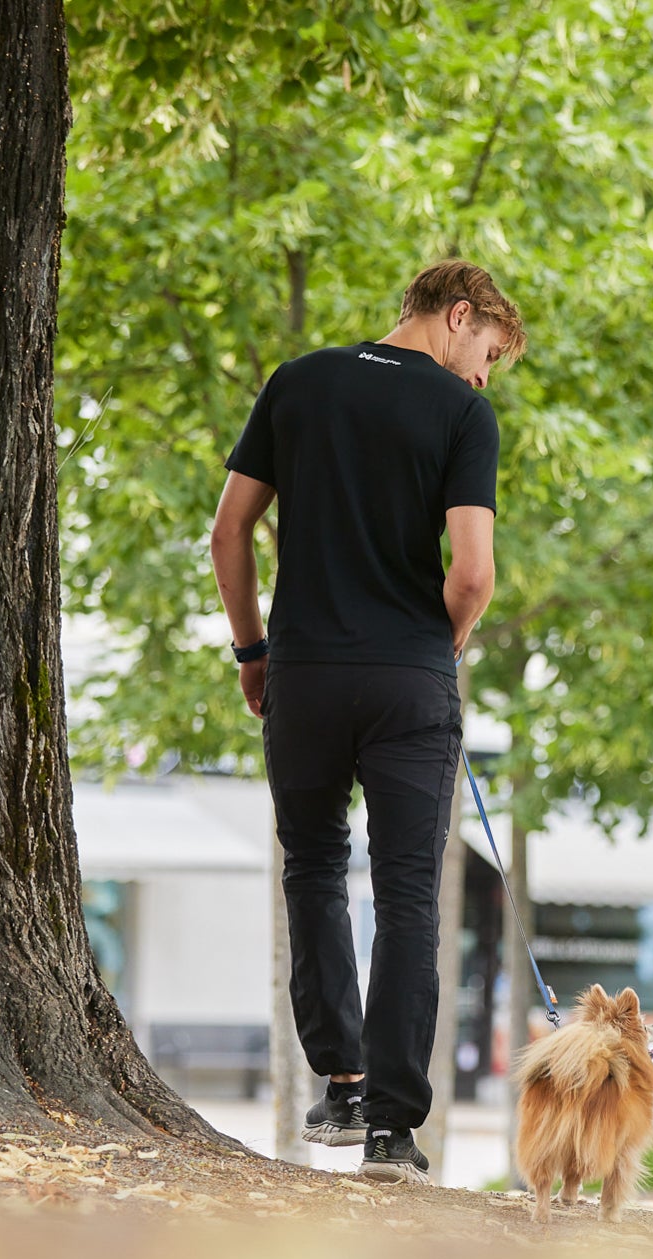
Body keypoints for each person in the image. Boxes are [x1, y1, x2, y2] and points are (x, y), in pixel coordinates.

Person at [209, 259, 525, 1183]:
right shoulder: (462, 416)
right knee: (408, 893)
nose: (482, 377)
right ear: (459, 315)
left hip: (303, 671)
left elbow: (229, 531)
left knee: (312, 866)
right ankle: (392, 1132)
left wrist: (252, 649)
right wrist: (442, 643)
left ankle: (340, 1083)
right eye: (488, 353)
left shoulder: (298, 382)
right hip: (407, 681)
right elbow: (472, 572)